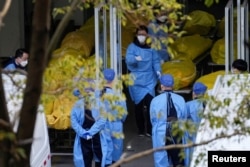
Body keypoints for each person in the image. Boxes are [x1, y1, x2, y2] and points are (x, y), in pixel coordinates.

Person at [125, 25, 161, 137]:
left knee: (151, 106)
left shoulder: (151, 48)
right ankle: (141, 129)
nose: (142, 36)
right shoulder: (132, 47)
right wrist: (134, 59)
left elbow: (155, 61)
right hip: (136, 81)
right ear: (136, 35)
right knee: (138, 107)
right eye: (140, 34)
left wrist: (158, 71)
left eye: (144, 34)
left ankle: (150, 129)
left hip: (149, 80)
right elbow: (128, 60)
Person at [150, 74, 187, 167]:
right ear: (173, 85)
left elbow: (153, 119)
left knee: (160, 158)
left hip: (160, 131)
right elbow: (184, 117)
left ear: (161, 86)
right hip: (176, 130)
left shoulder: (155, 100)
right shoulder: (181, 99)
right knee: (178, 158)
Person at [71, 87, 112, 167]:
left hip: (95, 137)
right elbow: (74, 122)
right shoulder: (78, 105)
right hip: (88, 137)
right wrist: (86, 134)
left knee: (97, 159)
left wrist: (87, 133)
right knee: (85, 160)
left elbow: (102, 120)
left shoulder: (99, 104)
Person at [102, 68, 128, 165]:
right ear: (114, 80)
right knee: (116, 153)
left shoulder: (98, 95)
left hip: (102, 126)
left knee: (104, 152)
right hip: (116, 125)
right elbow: (124, 113)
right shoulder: (118, 96)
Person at [185, 82, 207, 166]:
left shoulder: (188, 105)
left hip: (192, 137)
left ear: (193, 93)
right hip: (206, 137)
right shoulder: (208, 104)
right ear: (204, 93)